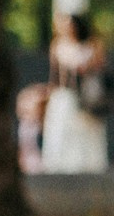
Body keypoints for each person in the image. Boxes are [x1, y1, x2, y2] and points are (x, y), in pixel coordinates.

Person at [43, 13, 108, 173]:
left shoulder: (92, 46)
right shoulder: (58, 46)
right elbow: (55, 75)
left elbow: (99, 68)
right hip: (65, 95)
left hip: (86, 97)